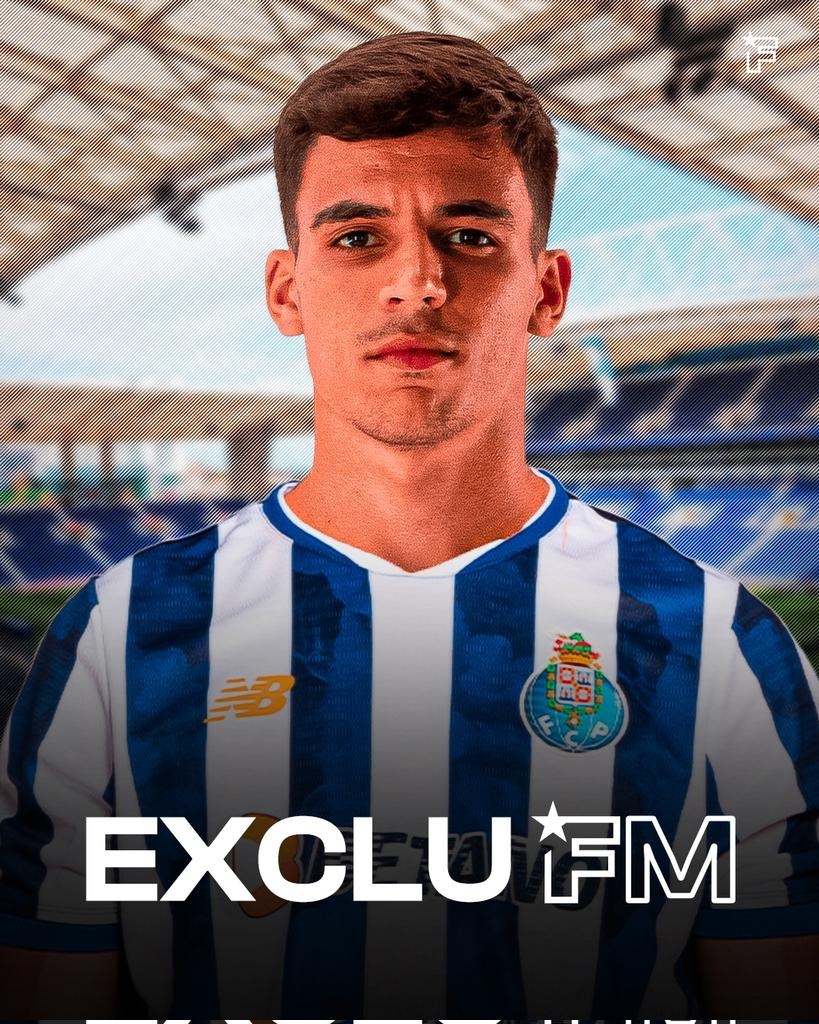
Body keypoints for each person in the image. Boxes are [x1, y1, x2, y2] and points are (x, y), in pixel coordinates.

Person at [0, 31, 818, 1018]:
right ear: (286, 290)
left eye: (469, 236)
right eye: (357, 238)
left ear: (547, 290)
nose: (418, 283)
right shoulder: (118, 635)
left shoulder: (720, 644)